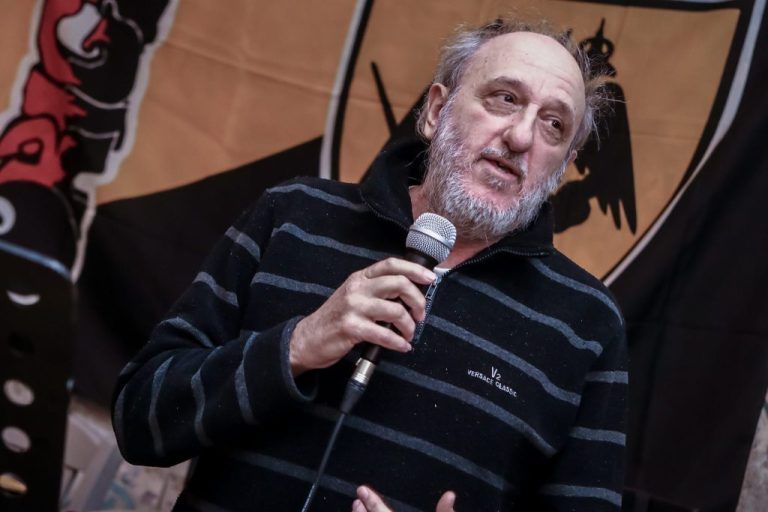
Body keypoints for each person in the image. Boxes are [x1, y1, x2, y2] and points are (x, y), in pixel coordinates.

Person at [112, 18, 627, 512]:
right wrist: (298, 345)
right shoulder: (293, 216)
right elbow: (139, 420)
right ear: (435, 111)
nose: (521, 137)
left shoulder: (586, 325)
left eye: (554, 124)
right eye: (505, 99)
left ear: (562, 167)